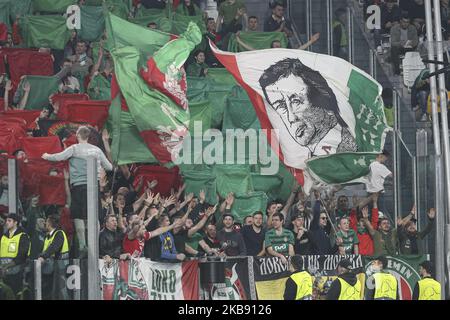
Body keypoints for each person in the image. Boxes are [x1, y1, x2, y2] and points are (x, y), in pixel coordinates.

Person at [259, 58, 357, 158]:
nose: (291, 118)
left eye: (296, 101)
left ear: (324, 99)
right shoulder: (314, 156)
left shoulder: (349, 153)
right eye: (281, 106)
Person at [42, 126, 113, 258]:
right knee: (95, 215)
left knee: (78, 216)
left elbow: (58, 157)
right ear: (89, 136)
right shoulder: (97, 150)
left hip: (79, 186)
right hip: (94, 186)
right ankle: (94, 245)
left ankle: (82, 245)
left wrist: (46, 156)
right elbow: (109, 167)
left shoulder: (74, 148)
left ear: (77, 135)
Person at [0, 213, 30, 296]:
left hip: (17, 274)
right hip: (4, 274)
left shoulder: (23, 236)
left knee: (16, 295)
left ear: (15, 222)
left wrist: (6, 266)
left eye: (9, 221)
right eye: (6, 221)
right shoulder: (4, 236)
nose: (7, 222)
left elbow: (22, 256)